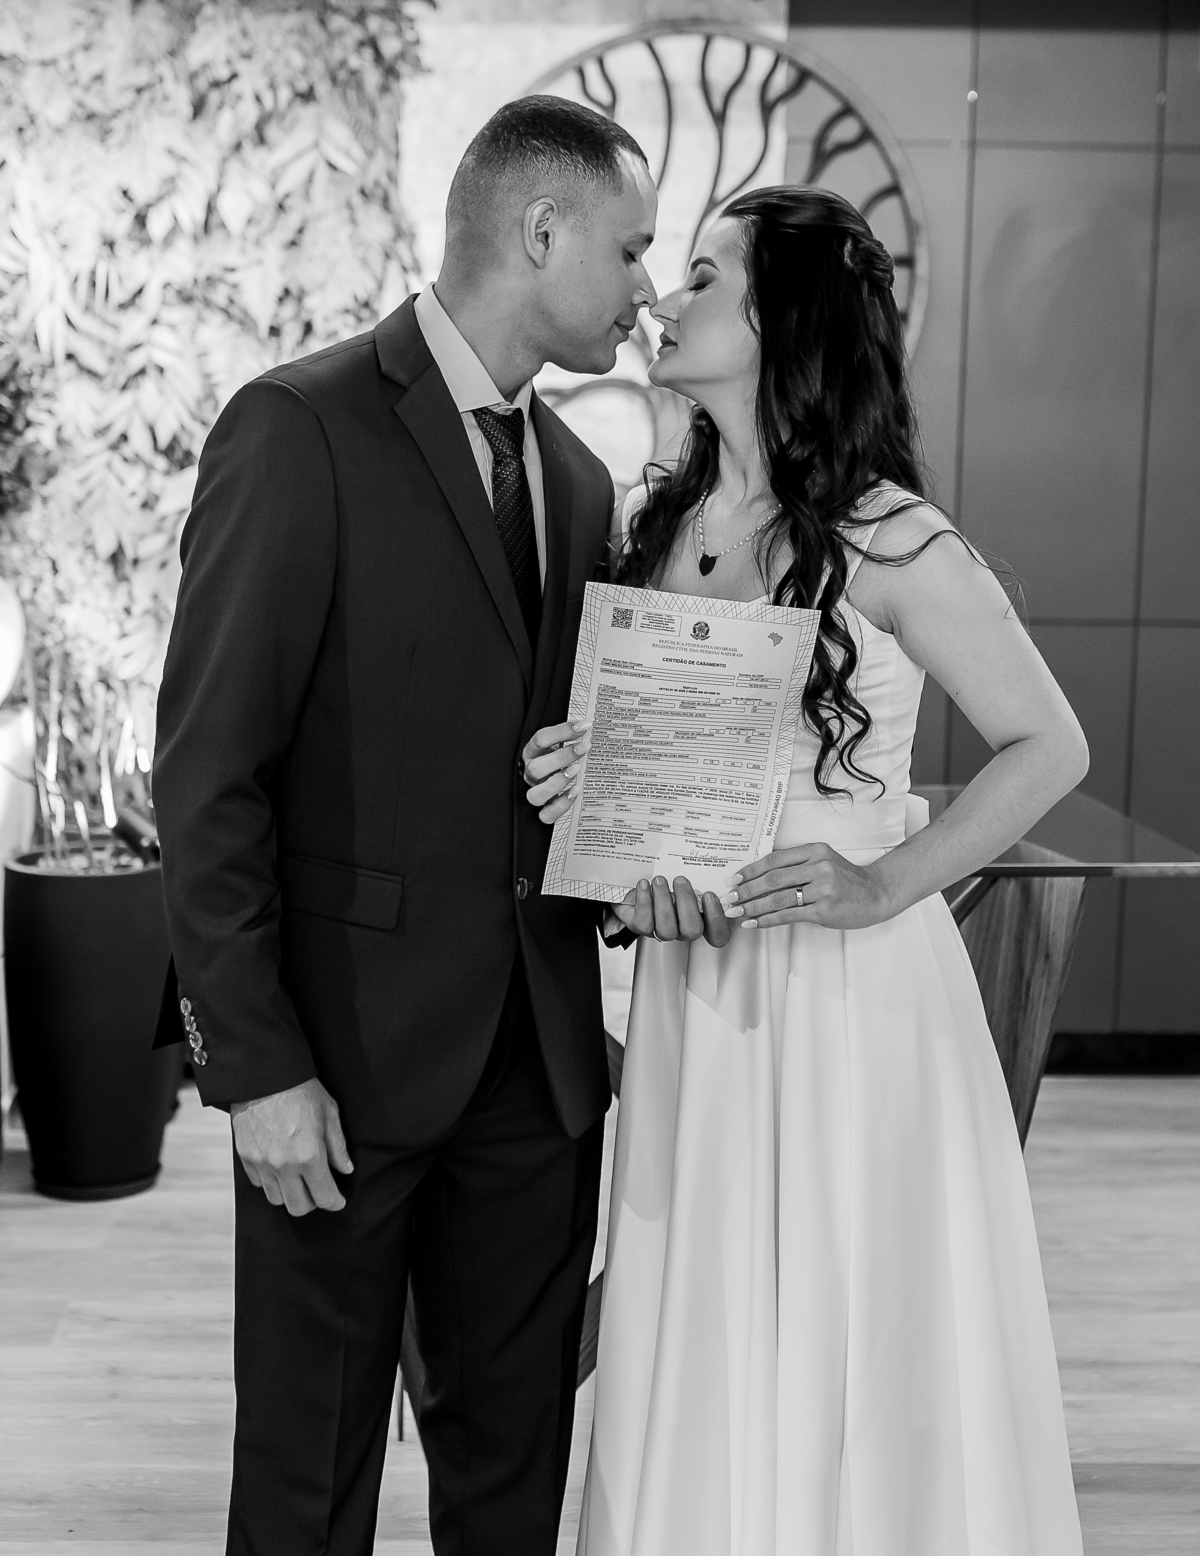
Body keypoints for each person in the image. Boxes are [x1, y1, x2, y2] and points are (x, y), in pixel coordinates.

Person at [524, 186, 1089, 1555]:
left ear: (779, 319)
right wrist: (588, 805)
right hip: (698, 1004)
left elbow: (1047, 743)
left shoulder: (897, 537)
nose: (662, 296)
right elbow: (651, 783)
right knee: (706, 1315)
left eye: (701, 273)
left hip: (852, 1006)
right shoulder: (653, 531)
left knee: (858, 1327)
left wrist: (884, 883)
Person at [152, 96, 664, 1556]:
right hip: (339, 1076)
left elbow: (557, 771)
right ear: (540, 229)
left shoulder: (575, 477)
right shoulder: (296, 426)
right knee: (309, 1493)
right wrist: (254, 1067)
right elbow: (207, 777)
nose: (642, 290)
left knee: (510, 1486)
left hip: (537, 1080)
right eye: (627, 253)